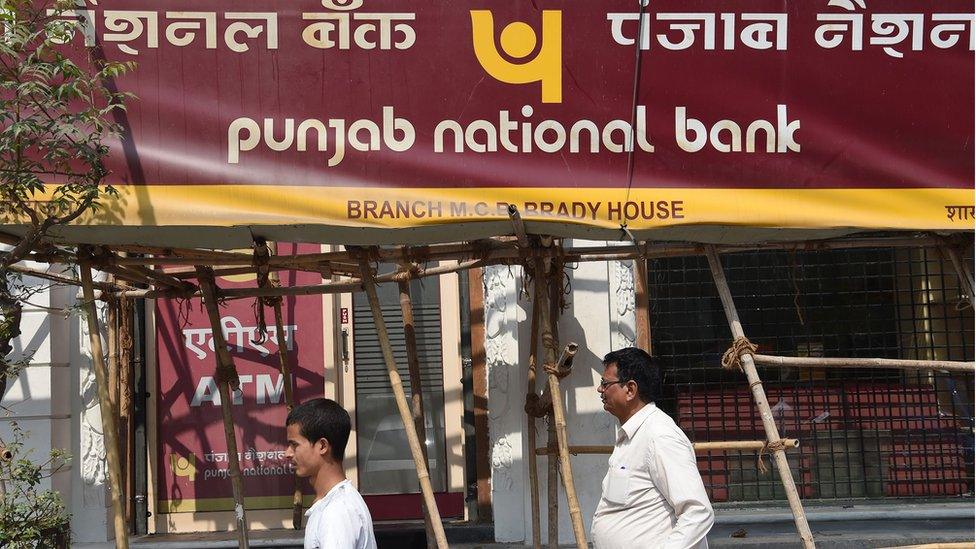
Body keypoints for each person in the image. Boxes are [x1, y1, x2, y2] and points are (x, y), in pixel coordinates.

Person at [591, 347, 714, 549]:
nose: (600, 390)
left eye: (605, 384)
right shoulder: (631, 436)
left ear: (630, 389)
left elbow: (698, 512)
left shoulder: (660, 435)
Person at [285, 398, 377, 549]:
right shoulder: (336, 503)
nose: (287, 453)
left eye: (294, 445)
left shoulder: (337, 512)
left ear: (322, 446)